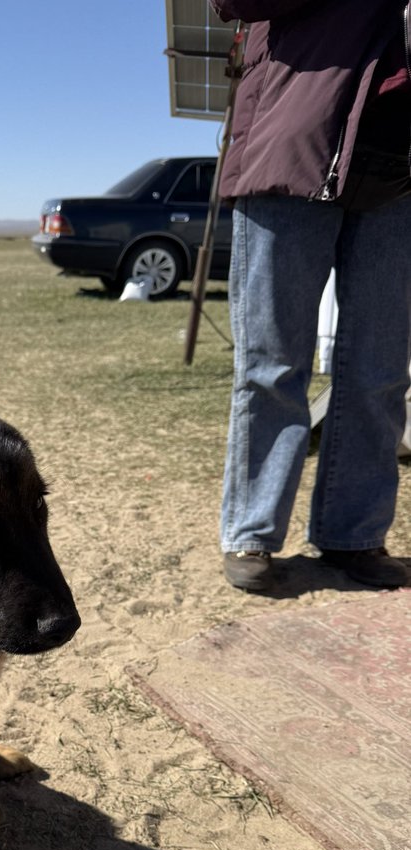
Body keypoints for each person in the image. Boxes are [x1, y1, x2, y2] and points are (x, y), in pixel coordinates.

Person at [210, 0, 411, 591]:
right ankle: (251, 533)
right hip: (294, 149)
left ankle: (355, 536)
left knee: (379, 369)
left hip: (398, 169)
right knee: (273, 363)